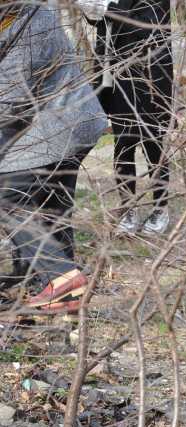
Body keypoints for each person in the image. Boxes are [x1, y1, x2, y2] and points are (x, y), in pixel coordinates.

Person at [0, 3, 106, 312]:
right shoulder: (12, 17)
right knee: (51, 204)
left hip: (60, 124)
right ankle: (61, 291)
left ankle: (61, 278)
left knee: (8, 198)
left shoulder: (33, 18)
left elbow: (12, 100)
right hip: (57, 124)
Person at [78, 0, 174, 235]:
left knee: (153, 143)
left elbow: (146, 26)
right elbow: (102, 23)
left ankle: (161, 208)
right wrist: (90, 9)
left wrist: (107, 8)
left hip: (148, 75)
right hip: (114, 75)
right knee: (123, 143)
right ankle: (127, 209)